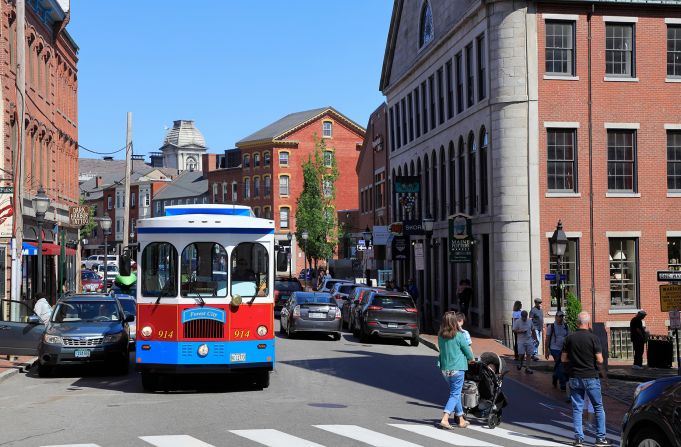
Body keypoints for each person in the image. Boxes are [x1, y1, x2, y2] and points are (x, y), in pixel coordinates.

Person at [562, 311, 610, 447]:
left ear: (577, 323)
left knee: (577, 408)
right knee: (598, 407)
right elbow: (600, 359)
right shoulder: (594, 338)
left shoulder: (569, 338)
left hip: (575, 376)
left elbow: (563, 358)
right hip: (591, 377)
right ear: (588, 323)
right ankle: (600, 438)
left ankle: (579, 439)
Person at [437, 311, 474, 430]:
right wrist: (471, 359)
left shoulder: (440, 335)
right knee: (455, 394)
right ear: (454, 322)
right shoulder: (459, 335)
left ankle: (461, 419)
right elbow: (467, 351)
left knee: (455, 393)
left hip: (445, 369)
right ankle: (445, 417)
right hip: (457, 368)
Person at [546, 310, 569, 390]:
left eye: (562, 316)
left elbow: (568, 337)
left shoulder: (565, 326)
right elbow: (547, 339)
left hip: (563, 349)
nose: (560, 318)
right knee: (560, 365)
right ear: (555, 317)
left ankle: (555, 376)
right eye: (559, 316)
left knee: (559, 365)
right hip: (554, 349)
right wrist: (546, 351)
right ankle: (563, 384)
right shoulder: (551, 327)